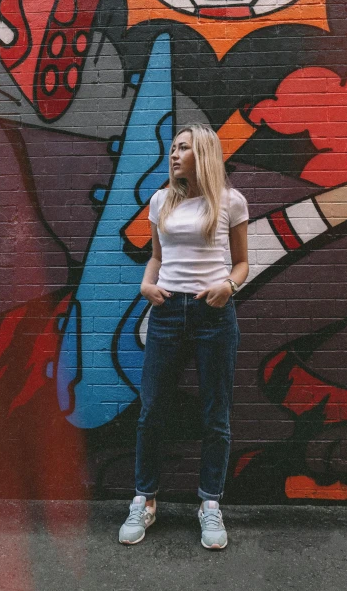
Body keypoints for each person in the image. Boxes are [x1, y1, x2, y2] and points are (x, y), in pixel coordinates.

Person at [119, 123, 249, 549]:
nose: (174, 155)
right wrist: (145, 285)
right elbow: (156, 256)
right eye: (173, 148)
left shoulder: (230, 201)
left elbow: (243, 265)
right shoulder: (161, 201)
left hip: (214, 313)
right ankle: (145, 499)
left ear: (204, 154)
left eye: (183, 148)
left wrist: (226, 288)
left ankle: (210, 505)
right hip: (168, 311)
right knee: (152, 409)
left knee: (216, 414)